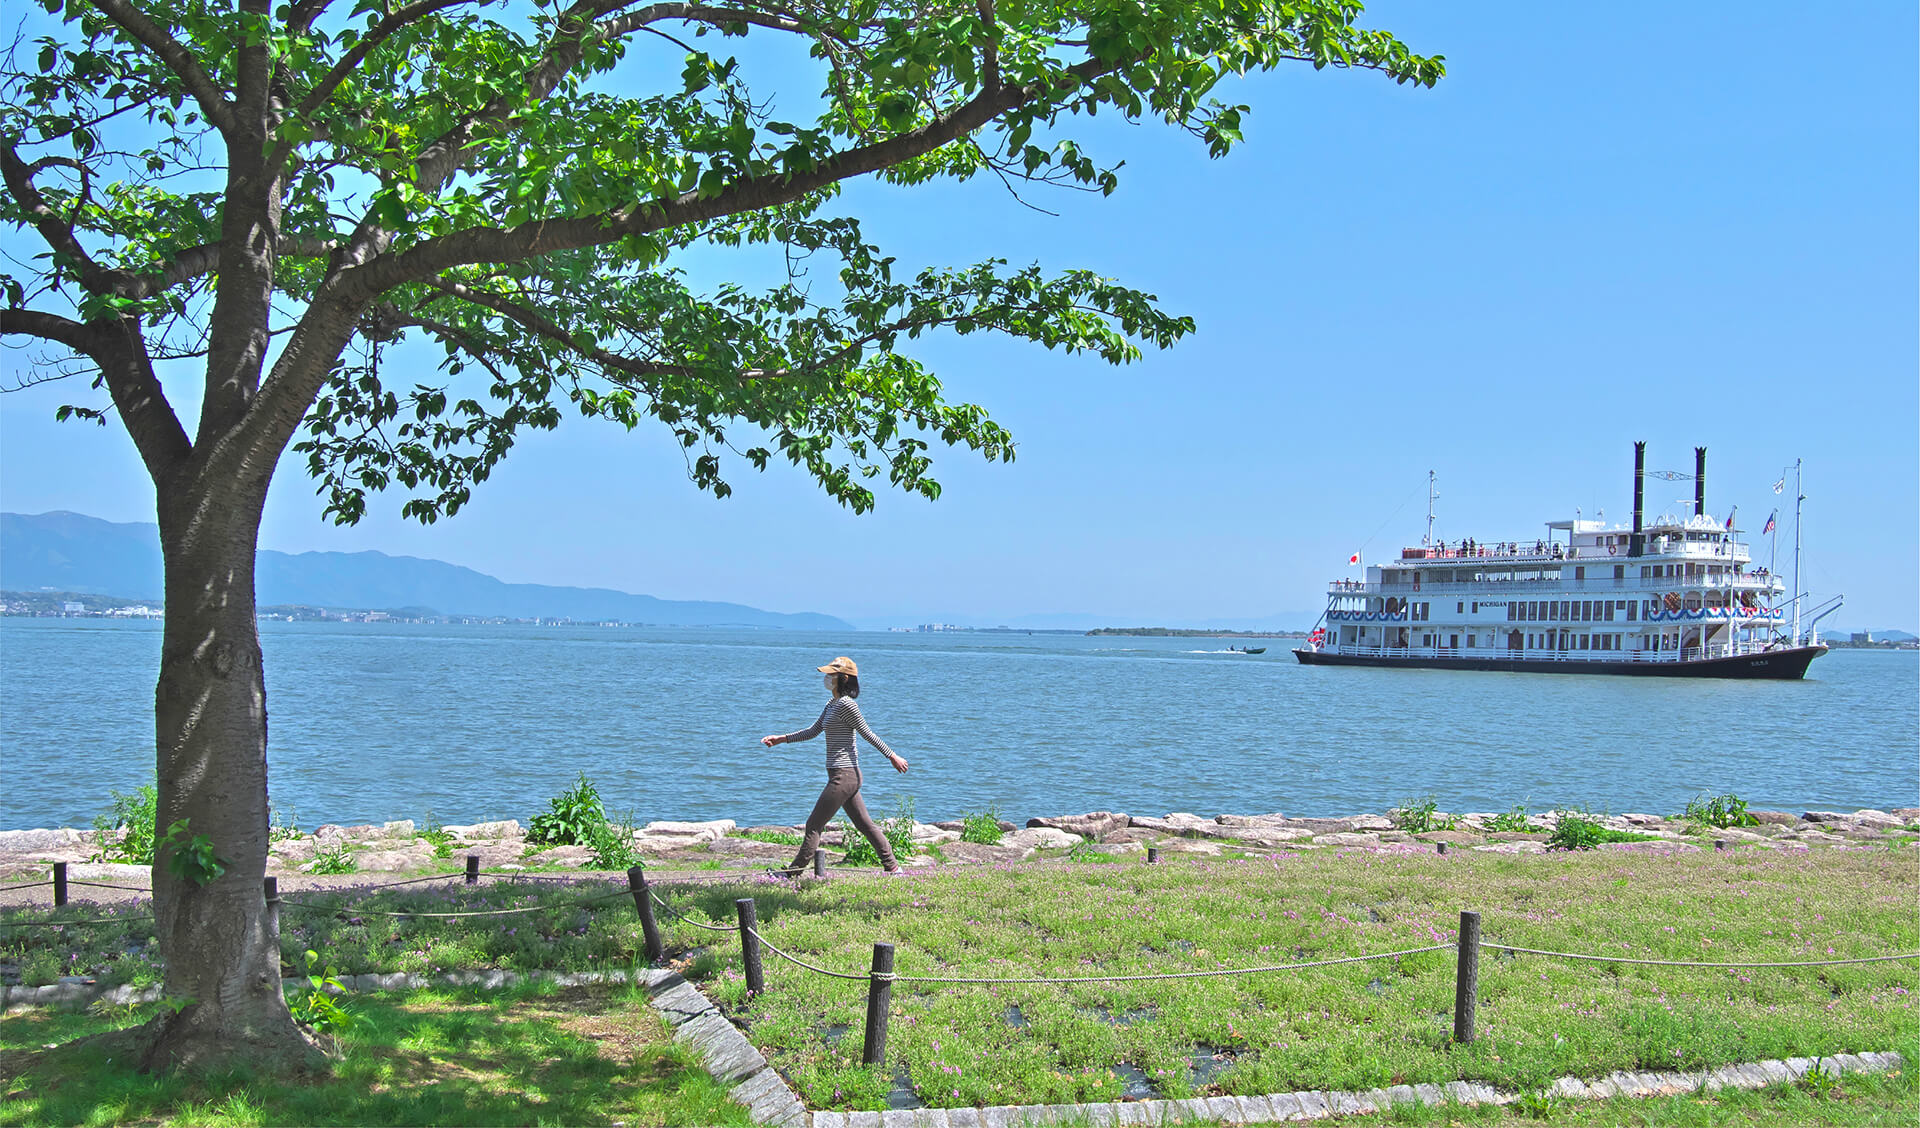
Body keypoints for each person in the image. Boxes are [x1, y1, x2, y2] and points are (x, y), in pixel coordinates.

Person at [762, 656, 910, 876]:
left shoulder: (847, 705)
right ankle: (893, 868)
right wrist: (782, 738)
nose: (827, 678)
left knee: (813, 824)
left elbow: (867, 733)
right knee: (865, 825)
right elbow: (813, 731)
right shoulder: (832, 704)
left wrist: (892, 755)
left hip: (845, 775)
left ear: (844, 678)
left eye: (832, 674)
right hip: (841, 774)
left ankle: (792, 873)